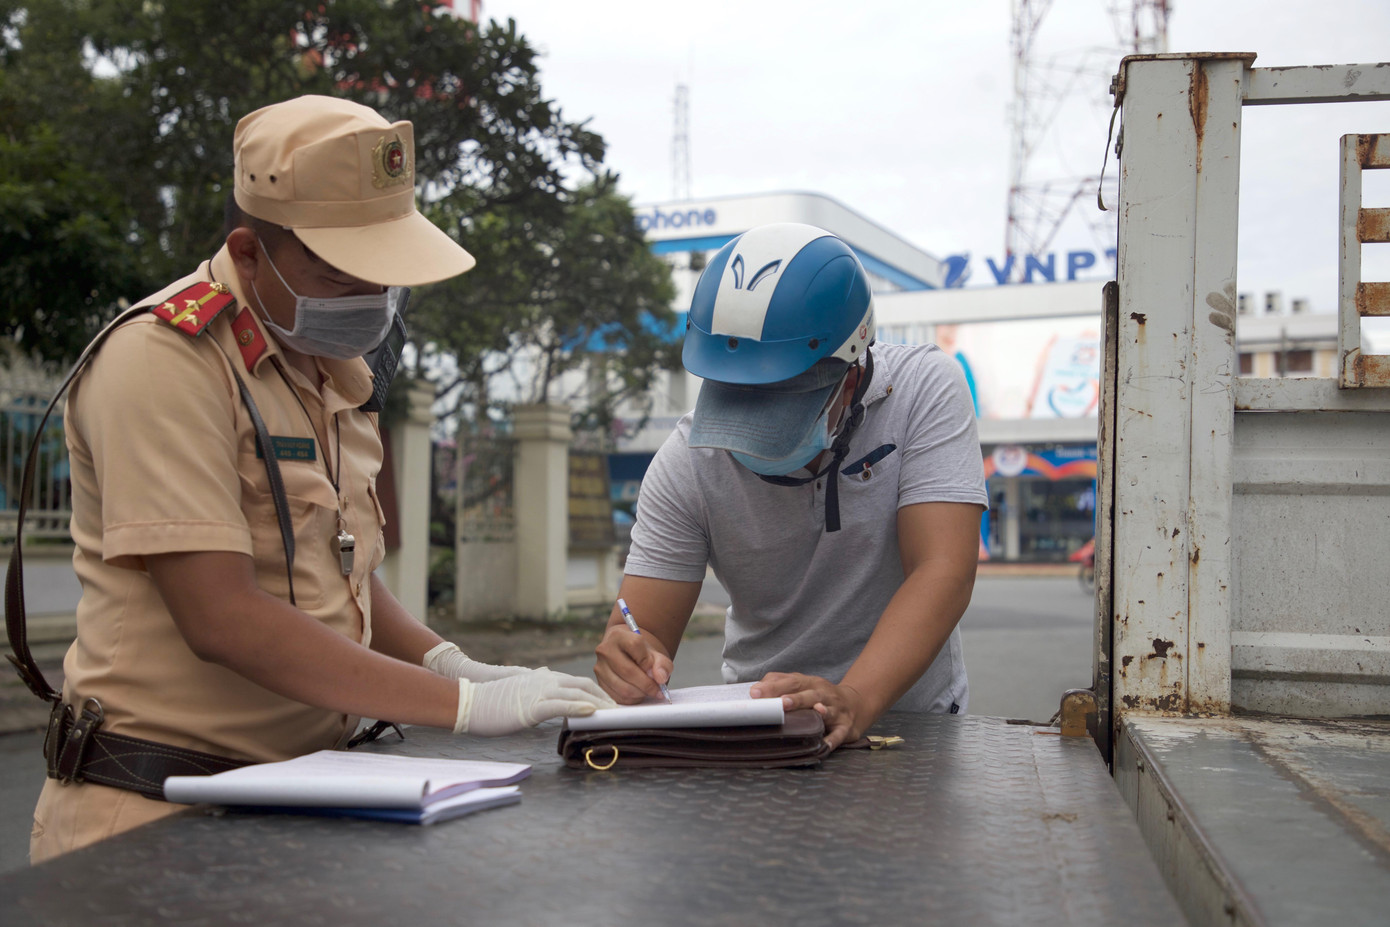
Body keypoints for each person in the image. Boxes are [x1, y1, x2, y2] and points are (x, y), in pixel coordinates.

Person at [28, 95, 611, 863]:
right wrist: (463, 705)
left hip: (302, 802)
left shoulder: (328, 369)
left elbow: (340, 567)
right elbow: (222, 616)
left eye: (387, 277)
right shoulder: (167, 359)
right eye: (343, 276)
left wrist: (446, 658)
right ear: (247, 253)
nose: (372, 301)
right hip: (154, 818)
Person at [594, 223, 987, 749]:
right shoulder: (686, 462)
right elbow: (645, 630)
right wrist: (627, 654)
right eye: (734, 399)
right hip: (762, 723)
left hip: (912, 722)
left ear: (849, 378)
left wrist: (856, 698)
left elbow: (943, 568)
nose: (751, 437)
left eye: (778, 406)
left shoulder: (923, 392)